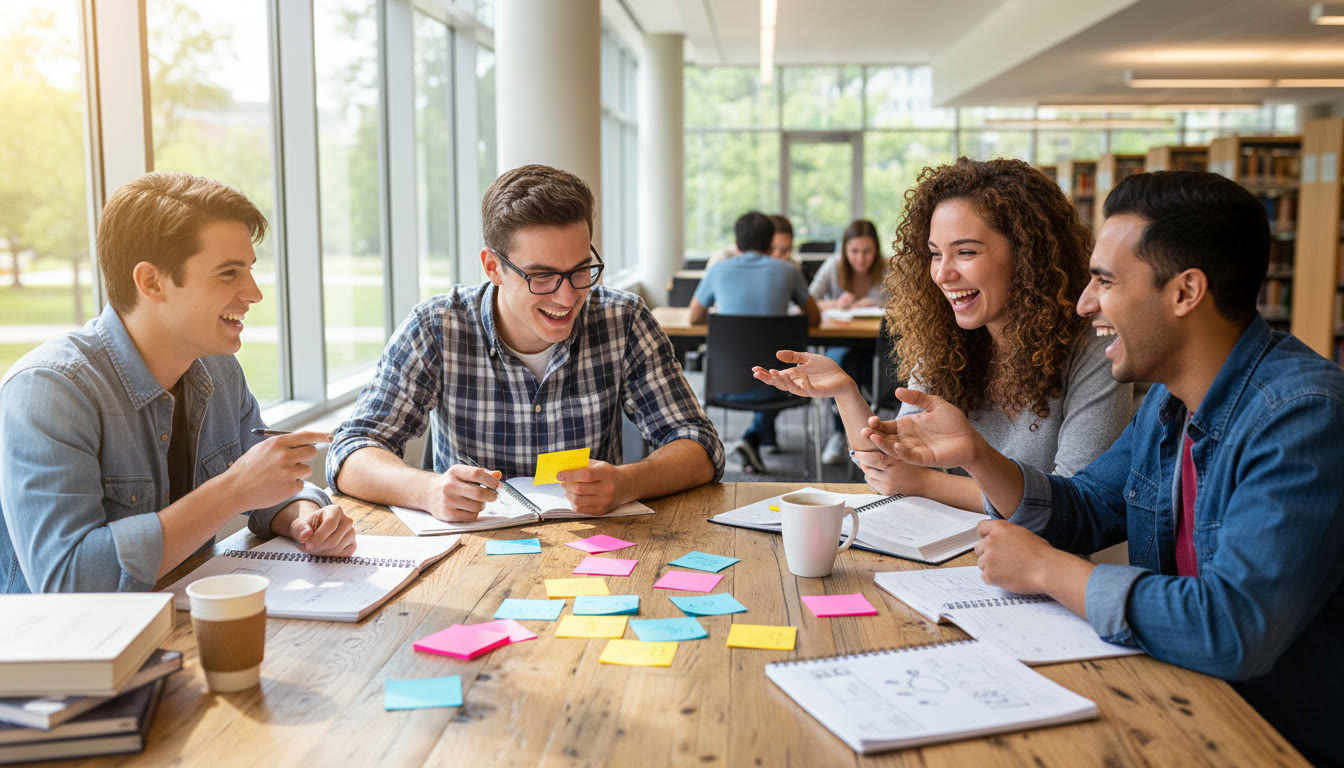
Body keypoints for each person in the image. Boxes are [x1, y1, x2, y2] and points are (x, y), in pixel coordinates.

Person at [864, 170, 1344, 766]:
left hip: (1273, 735)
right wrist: (975, 456)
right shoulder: (1170, 405)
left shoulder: (1301, 417)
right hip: (1180, 694)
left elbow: (1231, 628)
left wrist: (1049, 572)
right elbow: (1084, 508)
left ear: (1185, 292)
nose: (1085, 302)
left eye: (1106, 281)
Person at [0, 172, 355, 594]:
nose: (254, 293)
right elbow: (69, 581)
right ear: (151, 282)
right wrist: (230, 492)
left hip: (181, 628)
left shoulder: (220, 373)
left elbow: (263, 488)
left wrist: (304, 516)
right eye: (229, 273)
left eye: (250, 271)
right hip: (71, 653)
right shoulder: (49, 391)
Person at [328, 164, 722, 520]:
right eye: (542, 277)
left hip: (594, 549)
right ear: (493, 267)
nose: (567, 298)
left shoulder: (624, 320)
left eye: (581, 270)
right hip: (470, 555)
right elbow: (351, 450)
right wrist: (428, 490)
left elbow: (700, 445)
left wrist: (626, 483)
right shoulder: (436, 327)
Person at [755, 158, 1131, 510]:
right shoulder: (948, 341)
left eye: (965, 252)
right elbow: (891, 470)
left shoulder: (1099, 348)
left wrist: (927, 484)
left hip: (1038, 563)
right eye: (935, 253)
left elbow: (1076, 505)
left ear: (1028, 256)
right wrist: (845, 392)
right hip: (947, 548)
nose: (942, 274)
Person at [689, 212, 820, 473]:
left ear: (736, 245)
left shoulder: (718, 270)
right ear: (772, 242)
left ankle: (754, 438)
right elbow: (814, 319)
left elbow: (694, 318)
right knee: (777, 367)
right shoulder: (789, 271)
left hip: (725, 385)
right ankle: (757, 437)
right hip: (777, 383)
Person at [807, 219, 889, 464]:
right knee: (839, 364)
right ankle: (840, 435)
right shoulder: (833, 265)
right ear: (845, 250)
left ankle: (863, 434)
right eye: (854, 251)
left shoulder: (887, 267)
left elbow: (905, 302)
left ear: (876, 250)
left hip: (877, 345)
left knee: (857, 368)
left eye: (867, 251)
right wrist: (837, 304)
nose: (861, 258)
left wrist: (878, 303)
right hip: (842, 341)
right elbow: (808, 302)